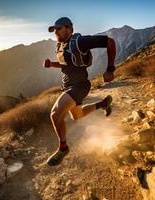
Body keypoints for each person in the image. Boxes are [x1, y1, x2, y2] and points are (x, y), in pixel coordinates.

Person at [43, 17, 116, 166]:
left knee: (55, 114)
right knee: (78, 116)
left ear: (68, 28)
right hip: (68, 85)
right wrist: (52, 64)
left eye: (58, 28)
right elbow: (66, 63)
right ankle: (103, 103)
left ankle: (63, 148)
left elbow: (110, 42)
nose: (55, 32)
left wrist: (110, 69)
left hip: (79, 85)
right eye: (53, 29)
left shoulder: (80, 41)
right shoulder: (61, 45)